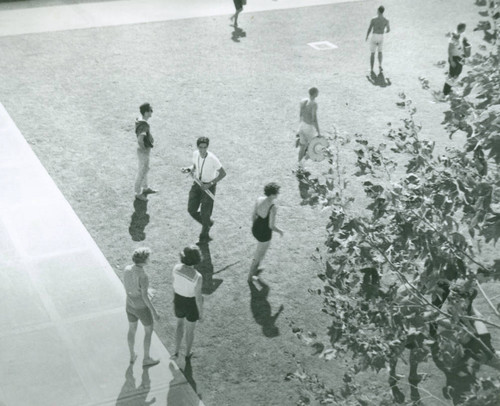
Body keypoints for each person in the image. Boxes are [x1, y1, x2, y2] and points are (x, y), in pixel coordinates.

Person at [182, 137, 226, 243]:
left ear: (207, 147)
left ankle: (204, 235)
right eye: (200, 147)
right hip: (197, 184)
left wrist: (210, 184)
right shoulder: (195, 154)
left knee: (205, 213)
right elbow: (195, 166)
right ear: (197, 147)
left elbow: (223, 173)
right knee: (191, 209)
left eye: (205, 147)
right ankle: (207, 223)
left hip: (209, 187)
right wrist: (188, 169)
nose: (202, 150)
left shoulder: (213, 159)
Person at [124, 247, 160, 367]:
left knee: (132, 329)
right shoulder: (143, 276)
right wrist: (154, 312)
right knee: (148, 332)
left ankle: (131, 355)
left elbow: (131, 287)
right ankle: (146, 358)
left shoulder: (127, 269)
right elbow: (144, 297)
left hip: (129, 305)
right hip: (141, 308)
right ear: (144, 261)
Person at [172, 245, 204, 359]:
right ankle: (187, 354)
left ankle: (176, 351)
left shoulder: (176, 268)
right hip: (191, 304)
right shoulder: (197, 276)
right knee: (190, 331)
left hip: (178, 300)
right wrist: (201, 313)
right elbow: (198, 297)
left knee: (179, 325)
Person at [248, 183, 284, 282]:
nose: (278, 194)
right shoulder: (273, 207)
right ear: (272, 194)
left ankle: (255, 270)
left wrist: (256, 227)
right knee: (259, 255)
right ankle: (250, 277)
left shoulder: (259, 199)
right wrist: (280, 231)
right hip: (264, 234)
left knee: (260, 253)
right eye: (277, 193)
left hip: (255, 228)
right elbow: (271, 226)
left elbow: (253, 216)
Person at [135, 103, 157, 201]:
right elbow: (140, 140)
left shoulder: (140, 120)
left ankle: (145, 188)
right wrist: (144, 150)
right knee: (142, 171)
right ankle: (138, 192)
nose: (151, 112)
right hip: (143, 150)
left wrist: (150, 136)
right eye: (150, 110)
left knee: (145, 169)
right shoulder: (143, 124)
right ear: (146, 112)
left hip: (143, 149)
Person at [443, 23, 468, 96]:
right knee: (452, 75)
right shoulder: (454, 37)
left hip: (459, 57)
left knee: (457, 73)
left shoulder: (460, 35)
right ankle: (445, 92)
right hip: (454, 58)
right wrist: (451, 61)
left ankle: (448, 89)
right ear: (462, 28)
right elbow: (450, 50)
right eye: (464, 28)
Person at [297, 87, 320, 163]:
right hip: (309, 127)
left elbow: (300, 115)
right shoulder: (314, 104)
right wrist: (318, 131)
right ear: (315, 94)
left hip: (302, 125)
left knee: (302, 146)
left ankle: (299, 164)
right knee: (314, 148)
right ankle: (303, 162)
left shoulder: (303, 101)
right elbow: (314, 118)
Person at [366, 5, 390, 74]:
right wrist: (384, 31)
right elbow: (388, 30)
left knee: (372, 53)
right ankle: (380, 65)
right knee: (380, 52)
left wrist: (367, 36)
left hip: (374, 36)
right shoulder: (386, 20)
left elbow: (369, 28)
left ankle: (371, 69)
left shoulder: (373, 19)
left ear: (378, 11)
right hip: (381, 36)